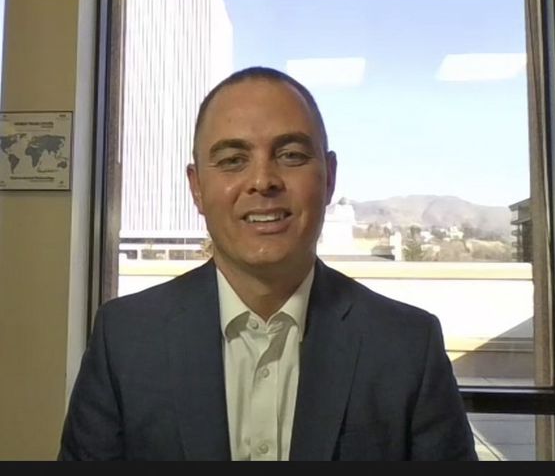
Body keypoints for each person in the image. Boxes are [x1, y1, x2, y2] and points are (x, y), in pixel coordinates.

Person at [59, 66, 477, 461]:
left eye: (291, 155)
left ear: (329, 178)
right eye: (232, 160)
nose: (263, 181)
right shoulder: (125, 339)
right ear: (197, 189)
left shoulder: (407, 346)